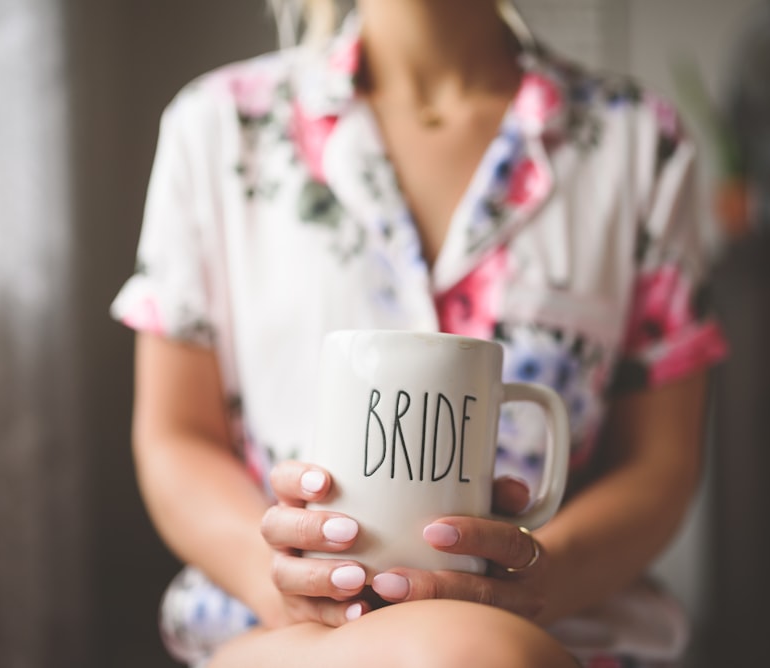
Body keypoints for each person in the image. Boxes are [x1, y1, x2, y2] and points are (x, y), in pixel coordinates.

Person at [110, 0, 728, 666]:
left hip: (557, 626)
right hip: (272, 629)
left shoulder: (637, 144)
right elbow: (177, 436)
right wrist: (280, 578)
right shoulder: (218, 128)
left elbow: (659, 463)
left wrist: (542, 575)